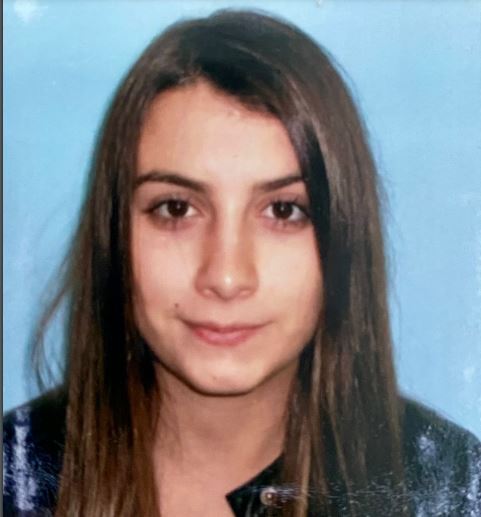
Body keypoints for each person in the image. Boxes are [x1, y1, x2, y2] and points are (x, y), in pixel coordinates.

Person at [3, 9, 480, 517]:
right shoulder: (17, 479)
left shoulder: (449, 489)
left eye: (284, 211)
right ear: (114, 235)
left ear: (343, 239)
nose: (227, 277)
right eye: (176, 209)